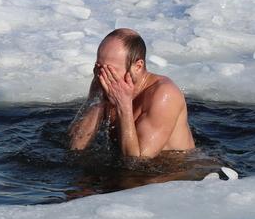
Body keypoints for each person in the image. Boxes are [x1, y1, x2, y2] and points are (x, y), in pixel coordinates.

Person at [68, 28, 195, 158]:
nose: (103, 76)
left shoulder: (164, 94)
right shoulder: (107, 83)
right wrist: (96, 97)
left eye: (111, 71)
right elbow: (74, 148)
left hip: (174, 170)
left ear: (138, 66)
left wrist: (123, 105)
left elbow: (136, 162)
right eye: (99, 67)